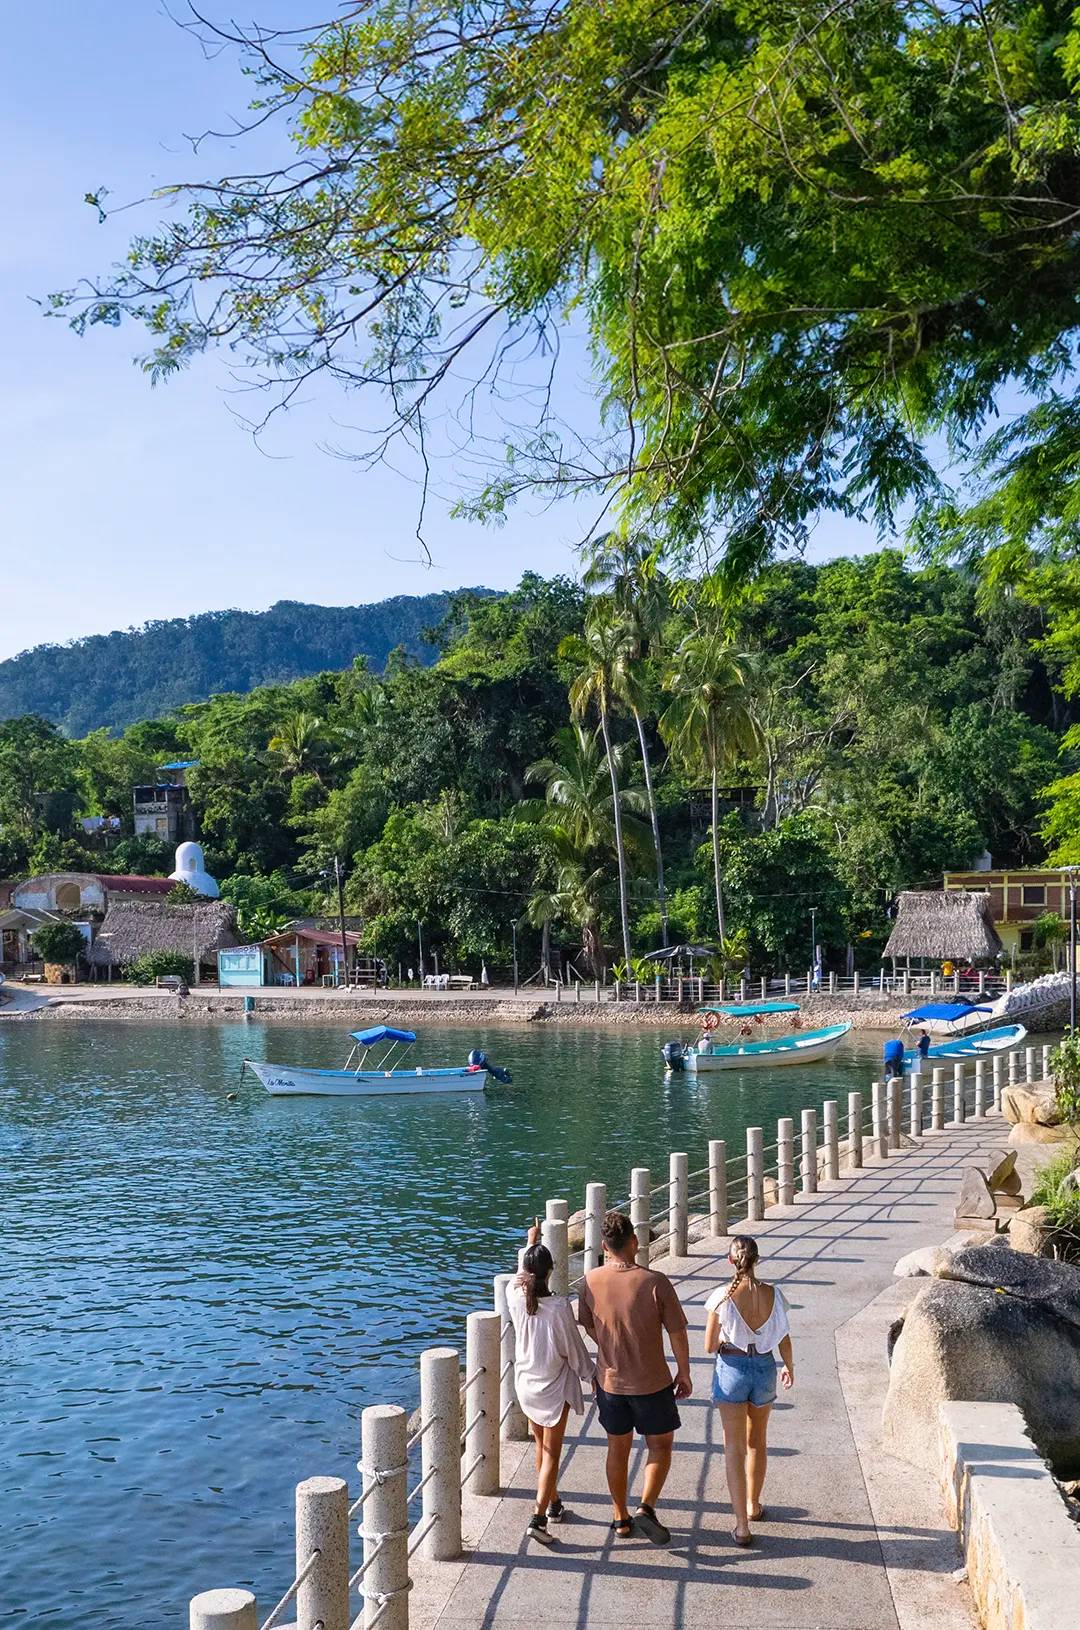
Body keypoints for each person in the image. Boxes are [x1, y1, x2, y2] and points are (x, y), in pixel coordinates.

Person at [578, 1210, 691, 1545]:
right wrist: (683, 1370)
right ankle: (646, 1506)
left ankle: (620, 1517)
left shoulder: (590, 1280)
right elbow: (677, 1332)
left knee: (617, 1447)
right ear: (634, 1241)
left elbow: (586, 1324)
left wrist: (607, 1344)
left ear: (604, 1245)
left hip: (611, 1383)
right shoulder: (654, 1281)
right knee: (659, 1446)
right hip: (652, 1381)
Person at [506, 1222, 595, 1545]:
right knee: (552, 1453)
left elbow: (521, 1273)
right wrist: (592, 1375)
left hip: (526, 1385)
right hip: (553, 1390)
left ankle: (554, 1503)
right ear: (551, 1272)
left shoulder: (515, 1297)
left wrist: (530, 1242)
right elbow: (574, 1349)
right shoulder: (558, 1309)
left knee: (541, 1448)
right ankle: (538, 1517)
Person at [704, 1236, 794, 1546]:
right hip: (766, 1368)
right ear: (757, 1260)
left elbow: (708, 1345)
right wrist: (789, 1367)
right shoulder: (774, 1294)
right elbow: (783, 1337)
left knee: (734, 1448)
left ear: (731, 1261)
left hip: (732, 1367)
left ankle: (742, 1525)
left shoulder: (722, 1296)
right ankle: (754, 1505)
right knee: (757, 1440)